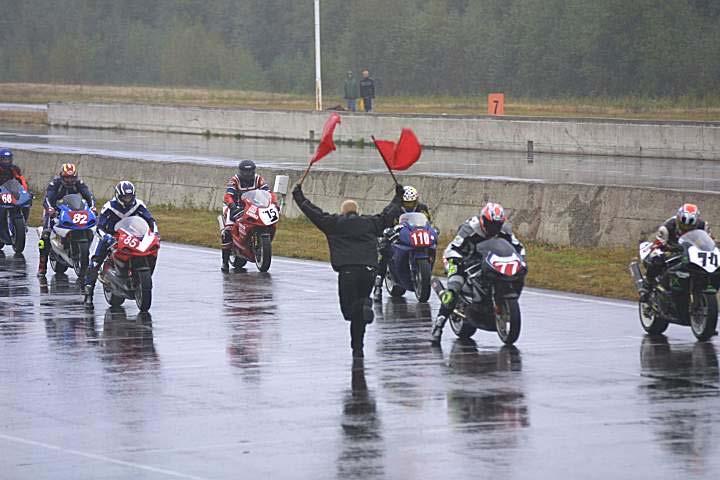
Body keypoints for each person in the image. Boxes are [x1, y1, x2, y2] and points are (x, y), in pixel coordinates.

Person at [293, 182, 403, 358]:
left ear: (343, 212)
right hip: (369, 271)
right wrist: (398, 196)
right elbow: (388, 214)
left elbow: (314, 213)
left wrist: (299, 196)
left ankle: (364, 305)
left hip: (348, 272)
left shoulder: (334, 223)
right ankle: (357, 347)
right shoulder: (370, 223)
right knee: (359, 314)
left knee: (349, 311)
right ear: (357, 211)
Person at [430, 202, 525, 344]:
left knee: (515, 274)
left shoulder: (504, 229)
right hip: (463, 257)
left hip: (488, 260)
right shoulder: (470, 228)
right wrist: (457, 260)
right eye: (490, 224)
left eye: (497, 224)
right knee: (454, 288)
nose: (494, 228)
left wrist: (521, 260)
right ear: (483, 220)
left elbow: (518, 247)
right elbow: (454, 248)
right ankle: (439, 325)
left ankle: (495, 305)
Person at [84, 181, 157, 304]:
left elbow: (150, 220)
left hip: (133, 236)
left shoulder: (138, 205)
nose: (128, 199)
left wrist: (155, 233)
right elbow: (99, 227)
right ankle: (88, 291)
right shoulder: (109, 207)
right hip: (112, 237)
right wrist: (106, 236)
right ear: (118, 196)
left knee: (149, 250)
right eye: (125, 197)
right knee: (96, 261)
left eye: (130, 197)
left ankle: (138, 278)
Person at [374, 185, 434, 299]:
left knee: (431, 246)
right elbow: (385, 220)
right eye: (407, 203)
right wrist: (388, 230)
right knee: (385, 252)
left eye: (412, 202)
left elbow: (428, 221)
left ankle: (423, 274)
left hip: (415, 235)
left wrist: (432, 228)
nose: (410, 205)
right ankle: (378, 285)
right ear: (402, 200)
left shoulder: (422, 208)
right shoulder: (394, 208)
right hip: (396, 236)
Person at [37, 163, 96, 276]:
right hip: (55, 211)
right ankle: (42, 265)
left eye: (72, 177)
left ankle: (81, 252)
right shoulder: (55, 184)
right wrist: (50, 209)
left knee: (90, 226)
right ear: (62, 176)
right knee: (45, 235)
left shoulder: (79, 184)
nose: (70, 180)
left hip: (74, 212)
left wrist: (92, 207)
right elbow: (47, 198)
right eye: (67, 178)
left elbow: (89, 196)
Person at [641, 203, 710, 298]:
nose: (686, 228)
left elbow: (709, 241)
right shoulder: (667, 227)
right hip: (671, 248)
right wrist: (668, 248)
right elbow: (659, 244)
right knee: (656, 257)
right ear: (678, 219)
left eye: (690, 226)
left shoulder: (703, 226)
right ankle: (648, 284)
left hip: (692, 251)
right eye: (683, 225)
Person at [220, 160, 270, 273]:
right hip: (235, 207)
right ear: (241, 171)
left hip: (253, 207)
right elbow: (228, 196)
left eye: (250, 171)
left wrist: (272, 203)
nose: (248, 174)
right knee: (227, 231)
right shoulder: (235, 180)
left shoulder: (258, 179)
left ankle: (256, 246)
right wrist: (233, 207)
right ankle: (225, 261)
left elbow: (268, 193)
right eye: (245, 172)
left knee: (263, 222)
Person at [0, 148, 30, 220]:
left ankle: (24, 221)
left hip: (11, 191)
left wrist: (25, 191)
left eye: (8, 159)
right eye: (4, 159)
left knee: (26, 202)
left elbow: (21, 180)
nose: (6, 161)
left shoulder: (14, 169)